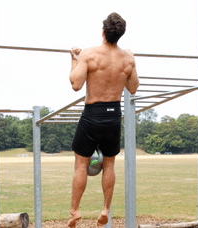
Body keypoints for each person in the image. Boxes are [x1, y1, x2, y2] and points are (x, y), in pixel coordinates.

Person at [68, 12, 139, 227]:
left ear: (103, 31)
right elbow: (133, 88)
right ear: (120, 35)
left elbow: (75, 85)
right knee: (109, 166)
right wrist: (131, 63)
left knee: (81, 165)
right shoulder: (127, 58)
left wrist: (74, 59)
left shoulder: (89, 55)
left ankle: (74, 212)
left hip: (93, 114)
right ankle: (106, 208)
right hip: (114, 115)